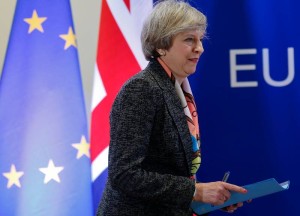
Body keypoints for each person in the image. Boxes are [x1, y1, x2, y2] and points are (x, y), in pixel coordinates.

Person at [97, 0, 247, 215]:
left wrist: (209, 197)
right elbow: (125, 175)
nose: (200, 48)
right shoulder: (142, 89)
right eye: (189, 40)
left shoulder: (176, 88)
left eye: (201, 40)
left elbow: (171, 172)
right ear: (161, 45)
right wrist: (195, 191)